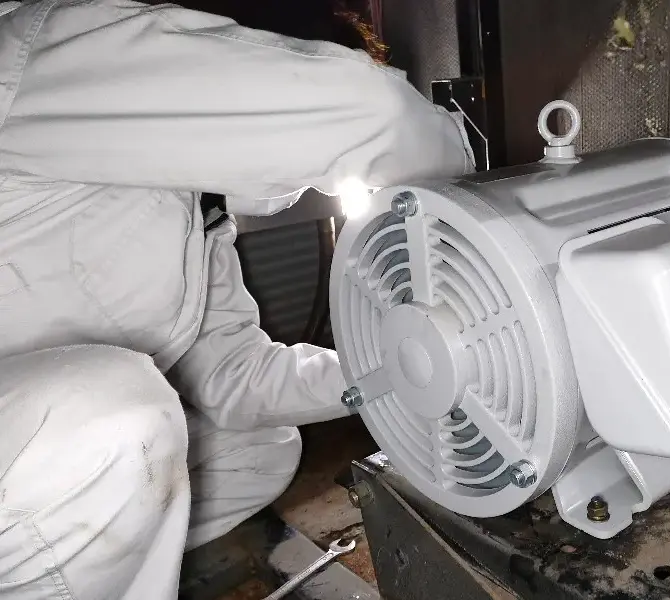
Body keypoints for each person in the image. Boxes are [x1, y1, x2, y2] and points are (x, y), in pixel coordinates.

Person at [0, 0, 474, 597]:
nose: (309, 182)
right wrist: (475, 214)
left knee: (261, 451)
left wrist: (396, 372)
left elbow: (232, 378)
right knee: (108, 424)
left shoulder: (196, 210)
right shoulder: (45, 55)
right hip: (57, 427)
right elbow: (380, 114)